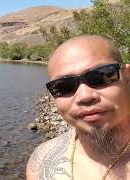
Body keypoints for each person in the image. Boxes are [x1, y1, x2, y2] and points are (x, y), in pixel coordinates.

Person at [26, 35, 130, 180]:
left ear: (127, 77)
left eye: (100, 76)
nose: (85, 96)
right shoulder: (41, 163)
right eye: (63, 86)